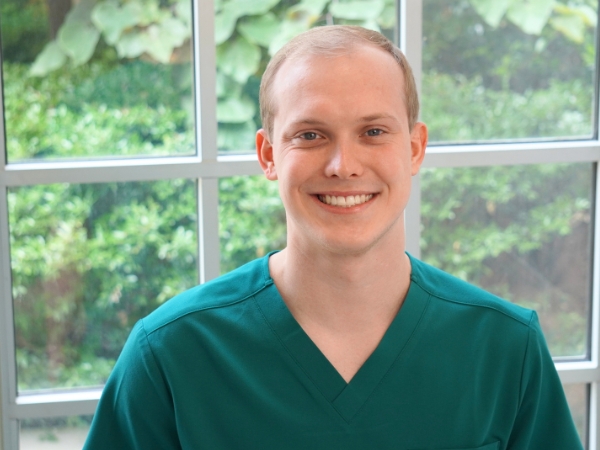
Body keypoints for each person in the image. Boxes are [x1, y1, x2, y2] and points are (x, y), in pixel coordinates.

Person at [83, 25, 583, 449]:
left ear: (414, 149)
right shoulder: (170, 354)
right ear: (268, 155)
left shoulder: (506, 349)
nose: (344, 166)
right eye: (310, 135)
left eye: (373, 132)